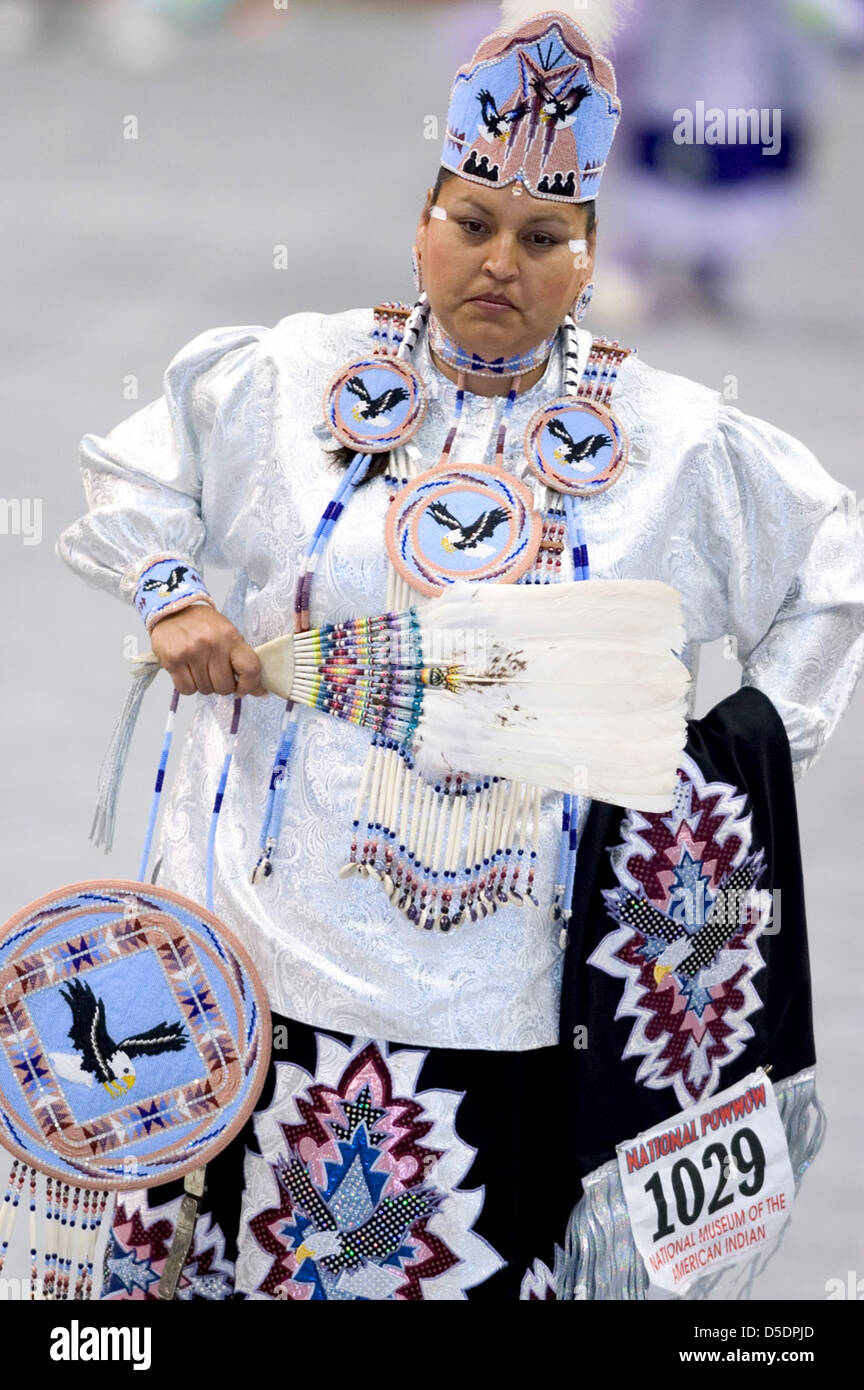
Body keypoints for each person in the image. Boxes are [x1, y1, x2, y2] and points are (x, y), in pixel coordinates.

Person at [56, 3, 864, 1302]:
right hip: (285, 946)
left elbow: (835, 568)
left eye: (543, 236)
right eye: (472, 222)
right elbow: (138, 475)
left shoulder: (671, 443)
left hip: (514, 987)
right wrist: (173, 601)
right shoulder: (287, 381)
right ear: (420, 228)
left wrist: (718, 764)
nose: (502, 260)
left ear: (590, 253)